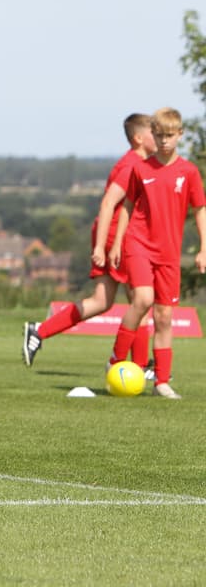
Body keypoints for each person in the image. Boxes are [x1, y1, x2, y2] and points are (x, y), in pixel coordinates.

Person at [22, 114, 156, 367]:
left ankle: (39, 331)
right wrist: (102, 245)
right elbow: (108, 203)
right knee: (140, 301)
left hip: (115, 236)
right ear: (138, 138)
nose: (159, 137)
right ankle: (140, 365)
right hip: (120, 238)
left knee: (101, 301)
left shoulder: (137, 163)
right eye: (154, 132)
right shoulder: (131, 165)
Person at [107, 107, 206, 399]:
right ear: (153, 134)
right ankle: (116, 359)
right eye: (159, 136)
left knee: (164, 317)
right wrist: (116, 244)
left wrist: (203, 248)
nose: (164, 142)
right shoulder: (141, 168)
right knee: (143, 300)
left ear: (180, 135)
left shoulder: (188, 172)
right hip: (138, 243)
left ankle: (161, 381)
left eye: (169, 136)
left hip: (169, 253)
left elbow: (200, 209)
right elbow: (126, 206)